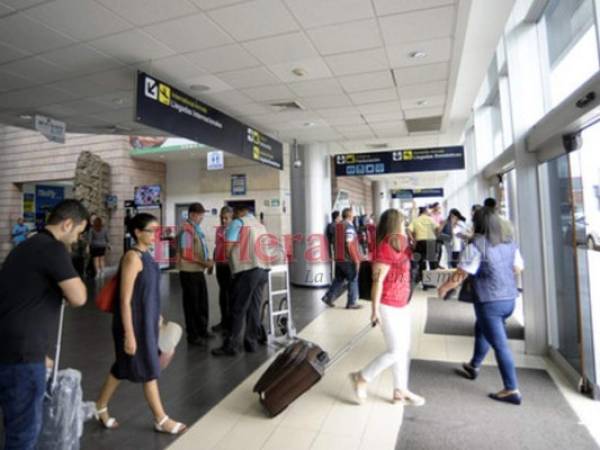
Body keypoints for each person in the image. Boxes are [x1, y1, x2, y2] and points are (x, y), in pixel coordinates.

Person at [0, 200, 88, 450]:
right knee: (23, 434)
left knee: (14, 423)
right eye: (79, 232)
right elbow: (79, 297)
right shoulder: (53, 248)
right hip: (21, 356)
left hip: (11, 347)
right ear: (67, 224)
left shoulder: (25, 247)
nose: (77, 239)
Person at [95, 213, 187, 434]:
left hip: (146, 321)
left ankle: (100, 407)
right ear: (137, 232)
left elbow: (146, 293)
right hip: (133, 324)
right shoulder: (132, 258)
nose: (156, 234)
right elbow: (124, 300)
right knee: (149, 368)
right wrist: (129, 334)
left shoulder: (148, 256)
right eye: (151, 230)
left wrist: (156, 316)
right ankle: (161, 419)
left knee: (121, 368)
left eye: (158, 230)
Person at [438, 207, 524, 405]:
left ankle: (511, 389)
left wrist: (444, 287)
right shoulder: (509, 243)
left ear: (478, 224)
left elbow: (461, 274)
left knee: (500, 346)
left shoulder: (476, 246)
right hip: (509, 299)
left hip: (489, 301)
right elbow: (517, 269)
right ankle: (474, 365)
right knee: (482, 328)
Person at [349, 209, 425, 406]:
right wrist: (374, 311)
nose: (405, 225)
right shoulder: (384, 248)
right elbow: (378, 281)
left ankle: (400, 391)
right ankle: (362, 377)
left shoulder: (403, 245)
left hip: (402, 303)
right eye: (403, 222)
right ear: (394, 224)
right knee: (396, 350)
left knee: (403, 349)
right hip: (387, 304)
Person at [212, 206, 270, 356]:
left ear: (239, 213)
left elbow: (228, 246)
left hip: (247, 270)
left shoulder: (238, 223)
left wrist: (229, 258)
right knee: (254, 308)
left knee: (238, 308)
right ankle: (251, 343)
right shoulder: (260, 225)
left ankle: (231, 345)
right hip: (263, 270)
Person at [177, 203, 215, 345]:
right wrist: (204, 263)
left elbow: (200, 248)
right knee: (192, 305)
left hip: (197, 270)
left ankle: (202, 330)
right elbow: (187, 253)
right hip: (189, 272)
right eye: (200, 215)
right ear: (192, 215)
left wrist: (208, 260)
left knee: (202, 302)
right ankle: (193, 335)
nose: (202, 218)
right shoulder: (187, 230)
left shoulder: (196, 229)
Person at [321, 207, 363, 309]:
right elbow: (349, 243)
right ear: (349, 216)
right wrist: (356, 259)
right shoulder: (348, 227)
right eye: (353, 214)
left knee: (339, 279)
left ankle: (328, 297)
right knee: (353, 279)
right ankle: (351, 302)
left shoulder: (338, 226)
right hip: (348, 259)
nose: (354, 216)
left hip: (339, 258)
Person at [211, 206, 234, 334]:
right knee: (223, 294)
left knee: (231, 295)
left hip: (230, 266)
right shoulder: (219, 229)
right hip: (220, 265)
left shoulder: (235, 230)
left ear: (232, 218)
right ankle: (224, 321)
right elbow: (217, 246)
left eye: (226, 218)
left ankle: (231, 323)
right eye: (222, 218)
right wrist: (214, 262)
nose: (224, 221)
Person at [408, 207, 440, 289]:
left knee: (422, 264)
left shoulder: (416, 220)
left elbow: (408, 230)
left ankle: (425, 284)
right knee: (432, 263)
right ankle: (433, 283)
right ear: (425, 211)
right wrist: (436, 236)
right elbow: (438, 228)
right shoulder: (430, 219)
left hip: (420, 243)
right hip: (431, 242)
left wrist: (413, 240)